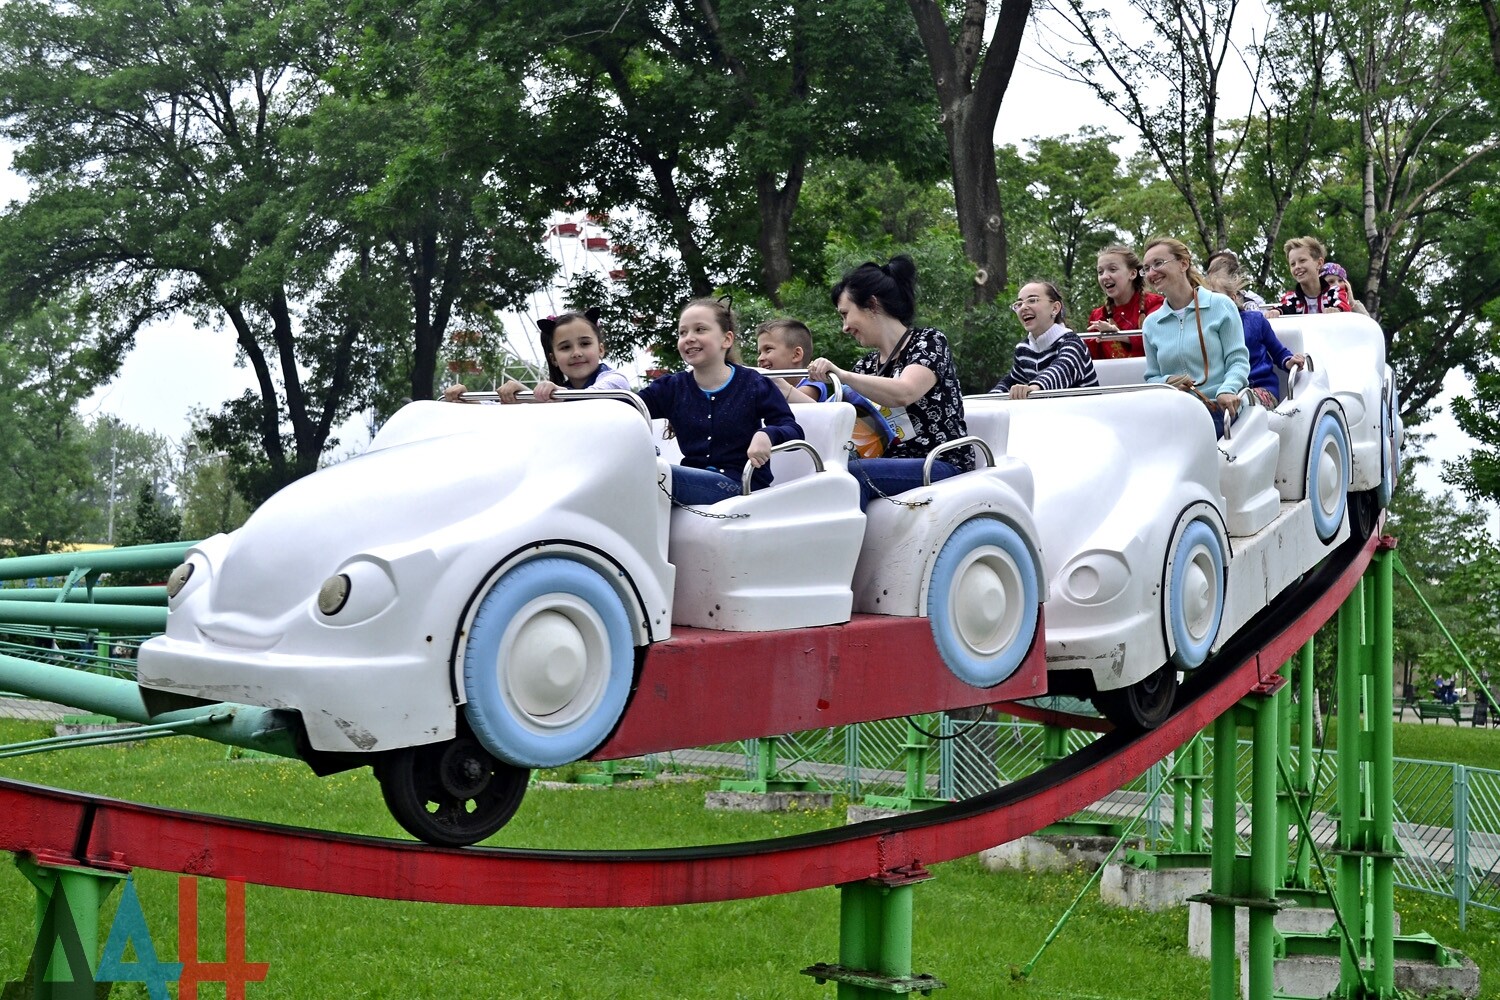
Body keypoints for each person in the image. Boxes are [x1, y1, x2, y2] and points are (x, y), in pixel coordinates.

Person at [807, 255, 973, 510]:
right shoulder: (866, 366)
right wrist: (779, 389)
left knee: (850, 476)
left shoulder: (928, 342)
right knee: (821, 472)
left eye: (845, 315)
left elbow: (904, 392)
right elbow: (829, 413)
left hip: (938, 462)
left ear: (872, 305)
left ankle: (846, 550)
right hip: (890, 464)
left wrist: (842, 375)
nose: (844, 327)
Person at [639, 297, 803, 505]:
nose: (689, 338)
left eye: (700, 330)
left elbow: (792, 429)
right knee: (631, 472)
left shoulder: (753, 384)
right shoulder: (671, 387)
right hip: (694, 479)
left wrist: (767, 435)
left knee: (653, 475)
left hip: (742, 484)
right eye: (683, 332)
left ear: (727, 339)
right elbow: (628, 408)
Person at [1141, 237, 1250, 437]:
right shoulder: (1151, 324)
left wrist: (1227, 389)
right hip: (1174, 413)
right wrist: (1168, 381)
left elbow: (1237, 361)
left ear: (1184, 263)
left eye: (1158, 263)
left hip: (1218, 409)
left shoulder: (1220, 305)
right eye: (1146, 268)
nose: (1151, 273)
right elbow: (1152, 378)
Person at [441, 308, 631, 403]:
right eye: (565, 347)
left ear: (601, 349)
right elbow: (499, 413)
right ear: (553, 358)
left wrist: (536, 396)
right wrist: (467, 401)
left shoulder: (614, 382)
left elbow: (592, 397)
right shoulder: (559, 394)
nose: (576, 353)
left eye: (585, 343)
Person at [1202, 270, 1304, 407]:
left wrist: (1290, 361)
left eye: (1215, 297)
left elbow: (1279, 353)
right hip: (1222, 393)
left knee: (1237, 405)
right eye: (1205, 300)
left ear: (1232, 298)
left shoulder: (1255, 320)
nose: (1210, 304)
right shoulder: (1204, 329)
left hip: (1260, 388)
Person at [992, 281, 1099, 399]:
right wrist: (987, 401)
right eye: (1019, 304)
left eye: (1032, 300)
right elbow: (1011, 381)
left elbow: (1062, 369)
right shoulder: (1023, 349)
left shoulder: (1073, 343)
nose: (1023, 307)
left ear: (1055, 308)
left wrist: (1034, 388)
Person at [1085, 245, 1165, 358]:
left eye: (1112, 269)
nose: (1104, 276)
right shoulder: (1098, 316)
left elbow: (1160, 342)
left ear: (1132, 274)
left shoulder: (1155, 303)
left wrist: (1119, 336)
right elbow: (1091, 359)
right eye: (1100, 272)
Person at [1273, 236, 1352, 315]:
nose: (1297, 266)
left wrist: (1337, 310)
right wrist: (1276, 312)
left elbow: (1344, 306)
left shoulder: (1334, 293)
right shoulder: (1291, 298)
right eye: (1293, 264)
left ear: (1319, 263)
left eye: (1302, 260)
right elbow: (1284, 307)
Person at [755, 319, 822, 403]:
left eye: (768, 349)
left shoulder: (813, 384)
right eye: (759, 353)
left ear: (796, 355)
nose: (760, 358)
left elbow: (795, 402)